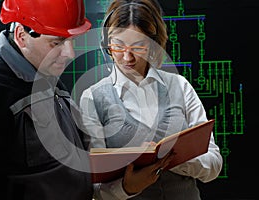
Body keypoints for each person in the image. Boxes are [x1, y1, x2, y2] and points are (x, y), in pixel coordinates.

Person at [79, 0, 223, 199]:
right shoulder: (93, 98)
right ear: (106, 43)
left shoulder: (179, 87)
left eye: (138, 47)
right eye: (118, 46)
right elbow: (93, 188)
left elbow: (214, 164)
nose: (127, 57)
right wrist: (128, 187)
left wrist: (175, 159)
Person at [0, 0, 94, 199]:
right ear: (22, 36)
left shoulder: (49, 81)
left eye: (71, 41)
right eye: (56, 42)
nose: (70, 53)